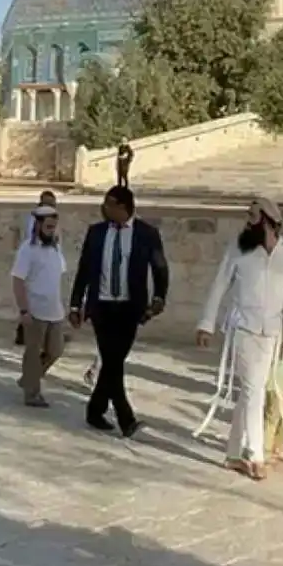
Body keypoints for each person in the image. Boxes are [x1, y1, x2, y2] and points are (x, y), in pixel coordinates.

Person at [196, 198, 283, 481]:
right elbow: (220, 284)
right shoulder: (238, 249)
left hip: (273, 334)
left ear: (268, 221)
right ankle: (255, 455)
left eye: (253, 216)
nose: (247, 221)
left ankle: (233, 454)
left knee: (250, 392)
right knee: (253, 389)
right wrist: (206, 324)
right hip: (243, 329)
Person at [68, 185, 168, 437]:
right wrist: (76, 303)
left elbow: (160, 268)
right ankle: (127, 419)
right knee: (112, 361)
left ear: (123, 207)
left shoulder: (146, 234)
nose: (104, 208)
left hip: (129, 308)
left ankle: (95, 409)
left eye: (109, 204)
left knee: (114, 360)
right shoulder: (97, 233)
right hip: (101, 306)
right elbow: (84, 270)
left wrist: (158, 297)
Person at [12, 205, 67, 407]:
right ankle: (32, 393)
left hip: (55, 310)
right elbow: (18, 280)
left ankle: (28, 379)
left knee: (56, 350)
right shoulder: (27, 249)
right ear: (38, 225)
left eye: (54, 225)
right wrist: (23, 310)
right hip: (35, 310)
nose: (51, 229)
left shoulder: (56, 247)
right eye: (47, 225)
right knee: (33, 353)